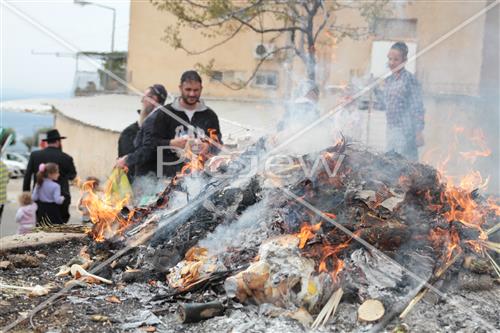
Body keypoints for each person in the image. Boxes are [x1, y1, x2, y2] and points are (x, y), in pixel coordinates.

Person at [156, 70, 222, 177]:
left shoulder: (210, 115)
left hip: (200, 176)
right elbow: (150, 143)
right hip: (169, 176)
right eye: (188, 89)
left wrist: (208, 146)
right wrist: (171, 143)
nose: (192, 94)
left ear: (201, 89)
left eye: (196, 90)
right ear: (180, 88)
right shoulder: (165, 113)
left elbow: (218, 143)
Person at [379, 41, 425, 161]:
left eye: (395, 59)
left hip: (407, 131)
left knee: (406, 166)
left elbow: (417, 107)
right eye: (389, 59)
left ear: (404, 60)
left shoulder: (409, 80)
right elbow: (384, 104)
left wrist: (418, 132)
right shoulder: (389, 80)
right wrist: (372, 90)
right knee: (390, 165)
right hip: (391, 130)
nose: (391, 63)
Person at [23, 129, 77, 223]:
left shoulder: (35, 155)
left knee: (41, 226)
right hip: (61, 198)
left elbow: (27, 176)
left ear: (47, 142)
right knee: (59, 227)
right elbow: (72, 175)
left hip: (41, 200)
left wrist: (26, 195)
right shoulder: (66, 158)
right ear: (58, 141)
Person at [116, 84, 168, 178]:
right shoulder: (129, 133)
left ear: (153, 99)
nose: (142, 101)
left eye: (144, 98)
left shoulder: (163, 131)